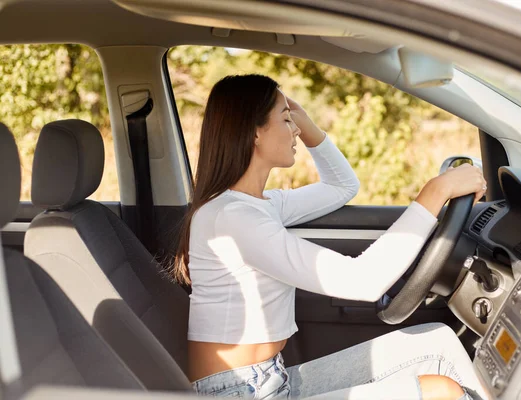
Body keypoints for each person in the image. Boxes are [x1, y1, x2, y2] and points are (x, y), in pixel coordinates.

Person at [172, 74, 489, 399]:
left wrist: (304, 121)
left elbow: (342, 186)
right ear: (255, 132)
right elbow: (362, 281)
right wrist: (437, 191)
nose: (295, 129)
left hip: (269, 377)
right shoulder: (233, 218)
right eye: (285, 120)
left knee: (437, 342)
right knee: (442, 392)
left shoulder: (258, 206)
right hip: (240, 392)